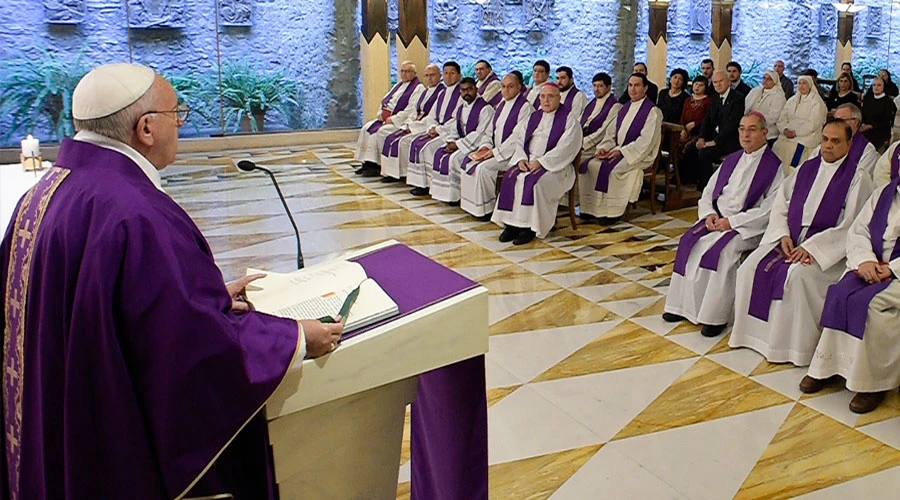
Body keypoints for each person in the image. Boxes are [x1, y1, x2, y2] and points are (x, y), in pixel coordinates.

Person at [0, 63, 343, 499]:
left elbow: (103, 303)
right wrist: (293, 338)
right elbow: (190, 348)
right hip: (112, 441)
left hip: (54, 414)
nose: (180, 123)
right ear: (146, 128)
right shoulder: (137, 212)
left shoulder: (45, 192)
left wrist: (206, 296)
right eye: (176, 113)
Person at [729, 118, 873, 361]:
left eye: (836, 141)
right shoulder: (807, 168)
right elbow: (781, 203)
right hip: (790, 239)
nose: (828, 146)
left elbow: (851, 225)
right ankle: (751, 336)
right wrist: (783, 234)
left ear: (849, 143)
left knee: (797, 278)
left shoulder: (858, 178)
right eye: (825, 139)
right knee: (749, 269)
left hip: (827, 252)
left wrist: (812, 248)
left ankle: (790, 348)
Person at [664, 112, 785, 336]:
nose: (745, 134)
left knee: (722, 253)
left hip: (746, 226)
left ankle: (714, 316)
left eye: (752, 129)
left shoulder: (774, 166)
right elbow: (709, 190)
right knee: (689, 243)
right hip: (716, 218)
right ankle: (681, 306)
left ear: (764, 133)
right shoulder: (732, 159)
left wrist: (732, 222)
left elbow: (770, 208)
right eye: (741, 128)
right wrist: (709, 213)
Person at [803, 175, 900, 413]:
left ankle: (873, 384)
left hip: (896, 272)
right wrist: (865, 261)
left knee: (872, 305)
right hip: (871, 264)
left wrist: (892, 268)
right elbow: (858, 231)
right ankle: (826, 366)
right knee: (838, 294)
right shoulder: (883, 195)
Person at [492, 83, 582, 245]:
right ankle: (511, 224)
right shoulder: (533, 117)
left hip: (556, 167)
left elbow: (567, 148)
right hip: (528, 162)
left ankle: (529, 228)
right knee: (511, 178)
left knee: (535, 184)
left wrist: (541, 162)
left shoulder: (569, 120)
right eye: (542, 96)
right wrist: (521, 159)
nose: (546, 100)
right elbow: (519, 141)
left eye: (550, 96)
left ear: (559, 98)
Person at [578, 73, 662, 223]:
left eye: (637, 85)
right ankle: (590, 209)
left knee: (614, 170)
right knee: (591, 165)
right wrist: (605, 148)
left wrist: (621, 151)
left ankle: (612, 212)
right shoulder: (624, 108)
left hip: (639, 155)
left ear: (645, 88)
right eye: (630, 85)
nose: (633, 89)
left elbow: (646, 142)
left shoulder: (653, 112)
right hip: (619, 150)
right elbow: (611, 134)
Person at [460, 73, 533, 220]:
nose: (506, 90)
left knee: (483, 169)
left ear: (519, 87)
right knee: (468, 163)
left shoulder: (526, 108)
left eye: (510, 87)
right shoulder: (501, 105)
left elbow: (518, 138)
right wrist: (485, 146)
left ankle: (487, 209)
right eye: (503, 87)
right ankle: (473, 206)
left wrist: (494, 152)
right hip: (496, 150)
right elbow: (489, 131)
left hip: (512, 154)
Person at [429, 77, 495, 204]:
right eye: (463, 90)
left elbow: (480, 133)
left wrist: (458, 145)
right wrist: (451, 142)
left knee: (455, 159)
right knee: (439, 153)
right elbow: (455, 128)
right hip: (463, 142)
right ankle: (445, 195)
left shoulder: (485, 109)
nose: (466, 93)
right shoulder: (461, 108)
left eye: (469, 89)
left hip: (477, 144)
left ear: (476, 89)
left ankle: (457, 196)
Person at [355, 61, 423, 177]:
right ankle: (366, 162)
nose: (404, 74)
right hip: (386, 118)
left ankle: (376, 165)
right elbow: (385, 100)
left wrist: (394, 119)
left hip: (398, 121)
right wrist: (380, 114)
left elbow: (411, 109)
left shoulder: (418, 88)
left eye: (407, 71)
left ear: (414, 73)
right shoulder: (398, 85)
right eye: (402, 71)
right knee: (366, 128)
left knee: (379, 132)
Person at [405, 61, 463, 196]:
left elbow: (458, 118)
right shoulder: (442, 94)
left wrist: (439, 130)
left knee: (428, 148)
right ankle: (421, 183)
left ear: (459, 75)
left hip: (450, 133)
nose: (448, 76)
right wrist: (432, 127)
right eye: (446, 73)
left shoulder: (461, 94)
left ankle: (433, 185)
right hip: (438, 129)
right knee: (416, 143)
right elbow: (432, 114)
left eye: (452, 73)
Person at [379, 63, 445, 182]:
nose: (429, 78)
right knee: (392, 138)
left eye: (432, 75)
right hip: (417, 123)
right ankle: (393, 172)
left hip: (426, 126)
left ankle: (406, 174)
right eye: (427, 76)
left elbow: (432, 116)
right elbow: (415, 112)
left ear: (440, 76)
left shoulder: (441, 92)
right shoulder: (426, 91)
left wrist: (413, 126)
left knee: (404, 142)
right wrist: (408, 124)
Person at [687, 70, 745, 189]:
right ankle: (690, 181)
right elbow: (707, 120)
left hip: (728, 140)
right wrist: (701, 137)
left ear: (728, 81)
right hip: (713, 137)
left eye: (720, 81)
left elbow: (732, 124)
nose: (718, 85)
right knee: (691, 148)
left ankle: (707, 187)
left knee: (705, 154)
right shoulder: (715, 98)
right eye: (715, 82)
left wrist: (715, 141)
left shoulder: (737, 98)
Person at [806, 103, 879, 178]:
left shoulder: (867, 150)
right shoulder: (827, 140)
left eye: (841, 120)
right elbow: (809, 166)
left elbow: (860, 180)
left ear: (856, 122)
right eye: (835, 120)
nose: (836, 125)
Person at [772, 75, 826, 170]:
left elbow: (813, 123)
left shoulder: (817, 102)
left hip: (806, 137)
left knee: (793, 150)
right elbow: (782, 118)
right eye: (799, 83)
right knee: (777, 146)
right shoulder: (792, 100)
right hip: (787, 134)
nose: (801, 86)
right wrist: (784, 130)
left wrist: (795, 132)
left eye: (804, 83)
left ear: (810, 85)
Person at [581, 72, 621, 155]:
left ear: (608, 87)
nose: (596, 89)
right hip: (581, 138)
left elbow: (602, 132)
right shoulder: (591, 103)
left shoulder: (615, 106)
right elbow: (579, 121)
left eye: (600, 86)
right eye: (594, 85)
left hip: (593, 146)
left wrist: (582, 143)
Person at [744, 70, 787, 144]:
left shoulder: (778, 96)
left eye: (769, 79)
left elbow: (774, 117)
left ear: (774, 81)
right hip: (751, 130)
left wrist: (756, 120)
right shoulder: (756, 91)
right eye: (764, 78)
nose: (765, 81)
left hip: (769, 133)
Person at [861, 77, 897, 152]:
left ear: (884, 87)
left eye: (879, 85)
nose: (876, 87)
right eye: (874, 85)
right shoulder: (868, 99)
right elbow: (863, 115)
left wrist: (871, 126)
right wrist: (863, 124)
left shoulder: (888, 102)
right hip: (865, 130)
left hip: (880, 133)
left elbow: (887, 121)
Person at [680, 76, 711, 147]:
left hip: (699, 133)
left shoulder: (708, 101)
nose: (697, 87)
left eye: (701, 85)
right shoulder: (688, 100)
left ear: (705, 87)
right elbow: (682, 116)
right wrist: (682, 129)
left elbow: (707, 118)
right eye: (696, 84)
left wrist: (695, 123)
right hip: (685, 130)